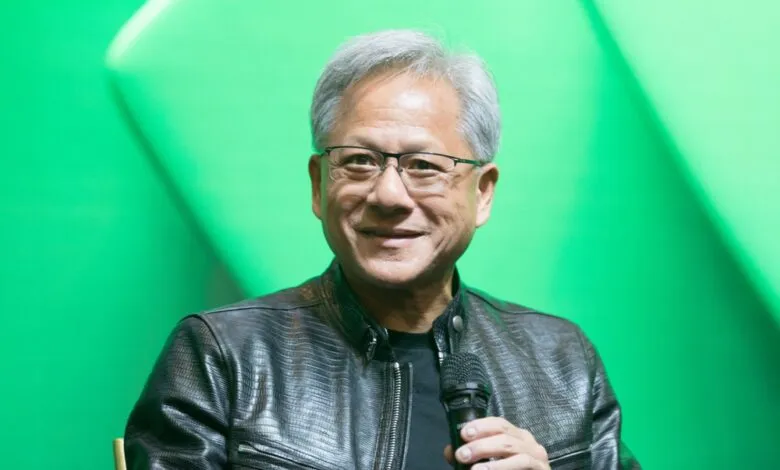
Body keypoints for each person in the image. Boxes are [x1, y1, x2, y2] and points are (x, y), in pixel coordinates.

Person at [124, 29, 640, 469]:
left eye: (424, 165)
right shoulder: (222, 356)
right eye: (360, 161)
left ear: (482, 193)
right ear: (318, 183)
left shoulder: (563, 362)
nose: (389, 195)